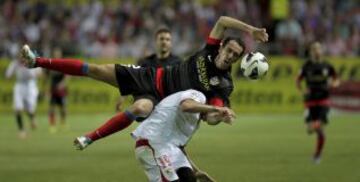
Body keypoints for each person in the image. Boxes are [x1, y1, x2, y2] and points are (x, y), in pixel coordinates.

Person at [20, 16, 268, 149]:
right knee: (94, 69)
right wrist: (251, 30)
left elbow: (209, 117)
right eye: (230, 50)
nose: (231, 56)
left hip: (162, 101)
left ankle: (89, 138)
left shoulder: (223, 84)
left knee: (139, 109)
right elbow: (223, 21)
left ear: (237, 61)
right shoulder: (209, 50)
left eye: (236, 56)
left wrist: (219, 115)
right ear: (222, 46)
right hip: (151, 76)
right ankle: (37, 61)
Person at [132, 89, 231, 182]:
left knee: (189, 178)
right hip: (152, 142)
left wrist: (196, 171)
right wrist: (216, 108)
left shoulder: (195, 122)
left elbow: (179, 146)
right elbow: (186, 106)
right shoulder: (198, 96)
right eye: (218, 115)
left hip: (168, 148)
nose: (217, 118)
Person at [116, 27, 182, 111]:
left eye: (167, 39)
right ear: (155, 42)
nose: (164, 42)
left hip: (170, 105)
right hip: (150, 103)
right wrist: (122, 98)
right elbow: (132, 79)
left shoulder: (178, 63)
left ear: (171, 43)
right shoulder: (145, 62)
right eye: (161, 39)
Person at [296, 41, 340, 164]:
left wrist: (334, 84)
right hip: (310, 101)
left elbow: (336, 79)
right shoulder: (306, 66)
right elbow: (298, 81)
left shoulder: (327, 66)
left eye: (318, 48)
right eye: (314, 49)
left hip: (323, 100)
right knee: (310, 129)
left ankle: (317, 155)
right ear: (310, 52)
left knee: (320, 128)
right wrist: (302, 90)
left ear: (322, 51)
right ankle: (314, 125)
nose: (316, 51)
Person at [5, 59, 42, 139]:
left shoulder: (33, 61)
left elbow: (40, 73)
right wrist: (10, 75)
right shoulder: (15, 63)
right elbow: (8, 75)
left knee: (29, 109)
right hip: (20, 86)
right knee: (18, 109)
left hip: (31, 86)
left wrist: (33, 73)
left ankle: (32, 118)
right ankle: (21, 130)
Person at [43, 47, 68, 133]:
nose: (57, 55)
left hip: (61, 90)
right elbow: (46, 78)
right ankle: (52, 125)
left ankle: (63, 123)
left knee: (63, 108)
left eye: (58, 54)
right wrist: (46, 91)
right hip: (53, 89)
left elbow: (67, 76)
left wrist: (62, 84)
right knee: (51, 108)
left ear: (61, 55)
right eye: (56, 54)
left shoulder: (63, 64)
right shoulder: (50, 65)